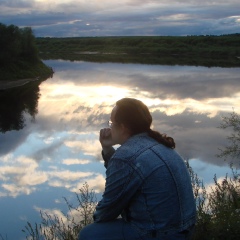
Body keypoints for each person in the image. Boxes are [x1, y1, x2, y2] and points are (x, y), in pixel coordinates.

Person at [78, 98, 196, 240]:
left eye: (111, 123)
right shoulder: (158, 143)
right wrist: (107, 148)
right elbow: (127, 173)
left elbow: (106, 212)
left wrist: (97, 217)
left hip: (160, 234)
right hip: (185, 229)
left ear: (123, 127)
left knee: (89, 234)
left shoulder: (126, 156)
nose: (109, 128)